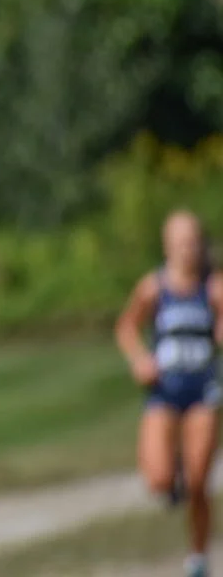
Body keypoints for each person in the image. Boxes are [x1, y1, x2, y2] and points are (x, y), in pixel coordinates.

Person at [115, 209, 223, 577]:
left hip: (203, 391)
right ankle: (170, 468)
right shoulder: (153, 287)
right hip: (163, 391)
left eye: (192, 241)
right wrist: (139, 359)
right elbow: (127, 326)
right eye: (180, 242)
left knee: (198, 481)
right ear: (166, 246)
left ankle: (197, 557)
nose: (187, 249)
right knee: (159, 479)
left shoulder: (214, 287)